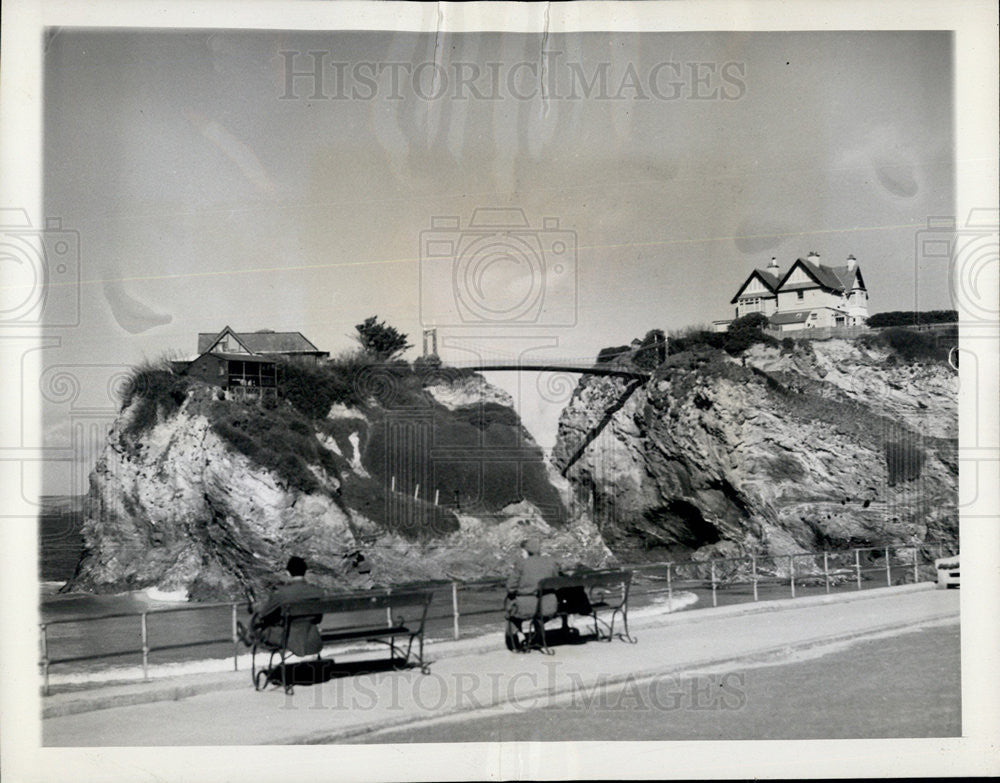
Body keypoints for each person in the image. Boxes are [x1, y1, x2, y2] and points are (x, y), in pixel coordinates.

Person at [244, 556, 325, 656]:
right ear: (305, 572)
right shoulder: (317, 592)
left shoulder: (281, 593)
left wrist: (255, 608)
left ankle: (248, 635)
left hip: (287, 638)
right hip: (312, 638)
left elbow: (263, 613)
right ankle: (248, 634)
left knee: (260, 621)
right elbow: (318, 619)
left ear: (288, 573)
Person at [505, 536, 560, 648]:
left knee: (511, 612)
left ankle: (515, 641)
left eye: (522, 551)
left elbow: (510, 587)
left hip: (527, 608)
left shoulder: (521, 564)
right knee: (537, 614)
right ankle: (537, 635)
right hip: (549, 606)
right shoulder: (550, 562)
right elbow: (556, 582)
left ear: (526, 551)